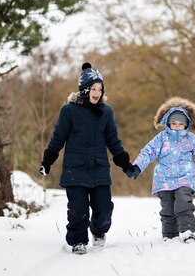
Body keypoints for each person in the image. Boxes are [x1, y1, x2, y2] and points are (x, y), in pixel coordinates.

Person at [39, 62, 134, 255]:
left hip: (99, 168)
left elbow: (113, 140)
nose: (97, 92)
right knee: (78, 210)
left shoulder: (106, 112)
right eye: (93, 88)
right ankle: (78, 241)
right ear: (84, 90)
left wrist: (124, 162)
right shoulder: (69, 111)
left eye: (100, 89)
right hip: (75, 170)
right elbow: (58, 138)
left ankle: (98, 232)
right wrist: (47, 161)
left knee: (104, 209)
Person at [126, 97, 195, 243]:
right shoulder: (161, 138)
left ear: (186, 124)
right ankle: (169, 236)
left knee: (183, 202)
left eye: (181, 124)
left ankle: (187, 231)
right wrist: (137, 166)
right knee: (167, 208)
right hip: (164, 179)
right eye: (174, 123)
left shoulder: (193, 140)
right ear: (168, 123)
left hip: (185, 178)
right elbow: (148, 152)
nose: (177, 126)